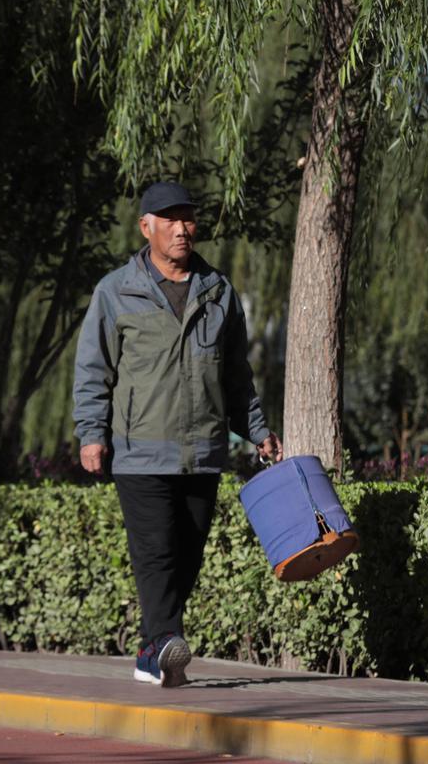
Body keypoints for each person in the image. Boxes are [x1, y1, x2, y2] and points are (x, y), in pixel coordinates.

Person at [72, 181, 283, 686]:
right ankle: (168, 641)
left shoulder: (219, 292)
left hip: (204, 450)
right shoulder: (115, 292)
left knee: (188, 555)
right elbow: (93, 368)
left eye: (188, 217)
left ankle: (150, 651)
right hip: (139, 452)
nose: (182, 228)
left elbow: (236, 375)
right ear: (146, 227)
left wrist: (258, 431)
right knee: (155, 552)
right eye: (170, 219)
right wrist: (91, 433)